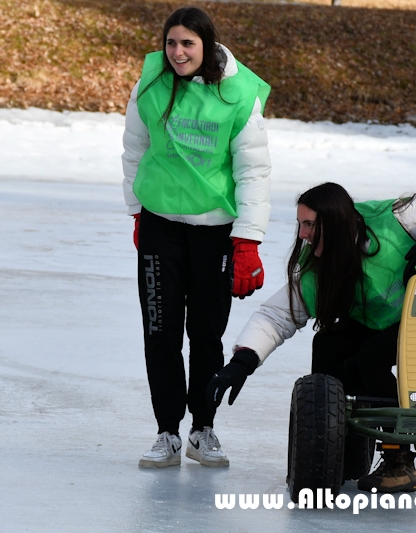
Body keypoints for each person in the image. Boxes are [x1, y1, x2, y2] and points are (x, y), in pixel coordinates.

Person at [207, 177, 416, 492]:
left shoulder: (398, 222)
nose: (303, 235)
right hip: (384, 321)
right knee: (330, 345)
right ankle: (335, 450)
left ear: (334, 221)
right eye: (301, 225)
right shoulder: (318, 266)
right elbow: (277, 314)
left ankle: (399, 458)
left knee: (371, 358)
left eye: (309, 224)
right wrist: (243, 361)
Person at [121, 6, 272, 468]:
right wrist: (136, 214)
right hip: (160, 226)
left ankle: (202, 429)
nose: (177, 52)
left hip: (215, 234)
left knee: (207, 333)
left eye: (187, 43)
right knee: (160, 332)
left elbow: (253, 171)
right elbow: (134, 149)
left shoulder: (239, 92)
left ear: (206, 45)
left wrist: (247, 240)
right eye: (171, 43)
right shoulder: (149, 83)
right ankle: (167, 431)